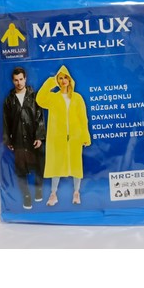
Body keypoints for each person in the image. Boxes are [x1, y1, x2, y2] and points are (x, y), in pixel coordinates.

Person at [36, 65, 91, 206]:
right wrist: (51, 82)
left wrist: (85, 135)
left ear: (70, 79)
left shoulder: (77, 98)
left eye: (65, 77)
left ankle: (76, 193)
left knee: (76, 165)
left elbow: (83, 118)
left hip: (75, 137)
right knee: (56, 165)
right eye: (60, 78)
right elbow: (40, 99)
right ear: (57, 80)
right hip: (57, 138)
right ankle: (53, 194)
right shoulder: (53, 98)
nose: (63, 80)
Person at [3, 67, 45, 209]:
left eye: (21, 79)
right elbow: (6, 121)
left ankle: (38, 190)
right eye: (16, 80)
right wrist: (8, 139)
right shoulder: (9, 100)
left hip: (33, 137)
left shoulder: (34, 96)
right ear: (12, 81)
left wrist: (39, 136)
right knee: (21, 169)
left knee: (39, 165)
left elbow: (40, 116)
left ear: (25, 79)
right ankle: (26, 196)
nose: (19, 82)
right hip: (18, 138)